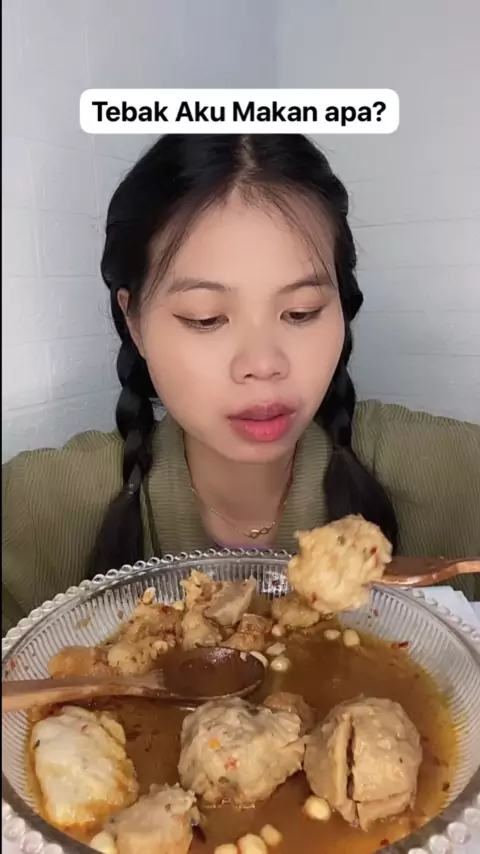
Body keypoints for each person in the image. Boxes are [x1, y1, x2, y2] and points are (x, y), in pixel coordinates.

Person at [2, 134, 479, 634]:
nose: (263, 364)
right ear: (134, 322)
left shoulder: (449, 473)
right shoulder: (35, 511)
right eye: (205, 318)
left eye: (301, 312)